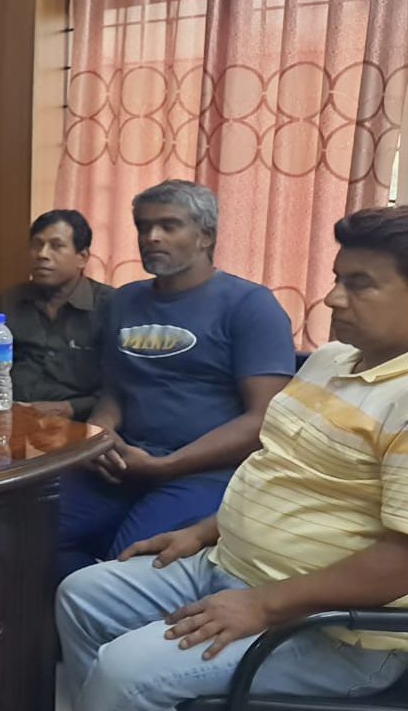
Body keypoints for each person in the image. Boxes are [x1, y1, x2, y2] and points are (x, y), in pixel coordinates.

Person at [45, 206, 408, 711]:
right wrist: (201, 531)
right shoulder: (330, 360)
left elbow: (402, 562)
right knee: (84, 594)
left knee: (128, 667)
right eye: (337, 278)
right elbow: (280, 471)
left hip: (328, 632)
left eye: (360, 284)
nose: (333, 298)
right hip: (230, 566)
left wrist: (262, 606)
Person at [58, 181, 294, 580]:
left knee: (126, 565)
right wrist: (100, 434)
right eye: (143, 226)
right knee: (30, 530)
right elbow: (114, 391)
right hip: (123, 463)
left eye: (169, 226)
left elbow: (264, 420)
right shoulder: (123, 301)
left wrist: (166, 466)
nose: (151, 237)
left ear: (206, 236)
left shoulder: (251, 305)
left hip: (206, 473)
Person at [0, 210, 114, 420]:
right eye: (37, 245)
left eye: (56, 246)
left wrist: (70, 408)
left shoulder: (110, 306)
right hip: (8, 415)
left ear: (82, 257)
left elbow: (122, 386)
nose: (42, 254)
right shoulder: (9, 301)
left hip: (78, 423)